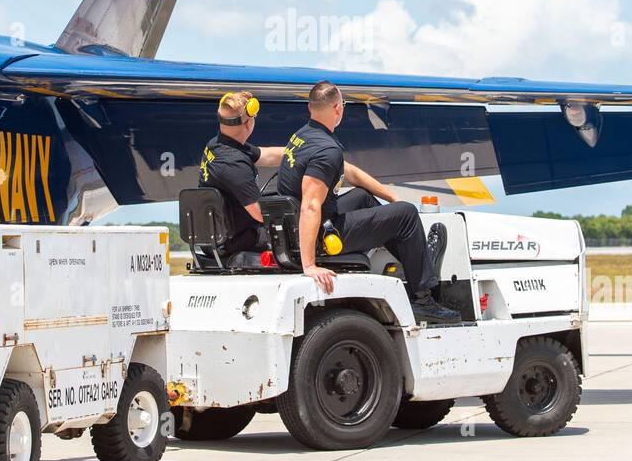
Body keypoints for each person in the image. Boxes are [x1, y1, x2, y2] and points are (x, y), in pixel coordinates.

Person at [276, 81, 460, 324]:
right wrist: (309, 265)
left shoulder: (303, 135)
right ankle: (422, 299)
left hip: (300, 227)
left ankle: (417, 260)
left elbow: (349, 173)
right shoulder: (326, 150)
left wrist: (391, 197)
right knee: (406, 214)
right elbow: (311, 205)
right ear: (337, 109)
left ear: (310, 108)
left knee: (363, 197)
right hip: (323, 235)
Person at [197, 91, 285, 267]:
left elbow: (267, 156)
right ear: (249, 122)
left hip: (221, 236)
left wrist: (300, 152)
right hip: (240, 239)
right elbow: (260, 214)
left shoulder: (217, 145)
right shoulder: (234, 163)